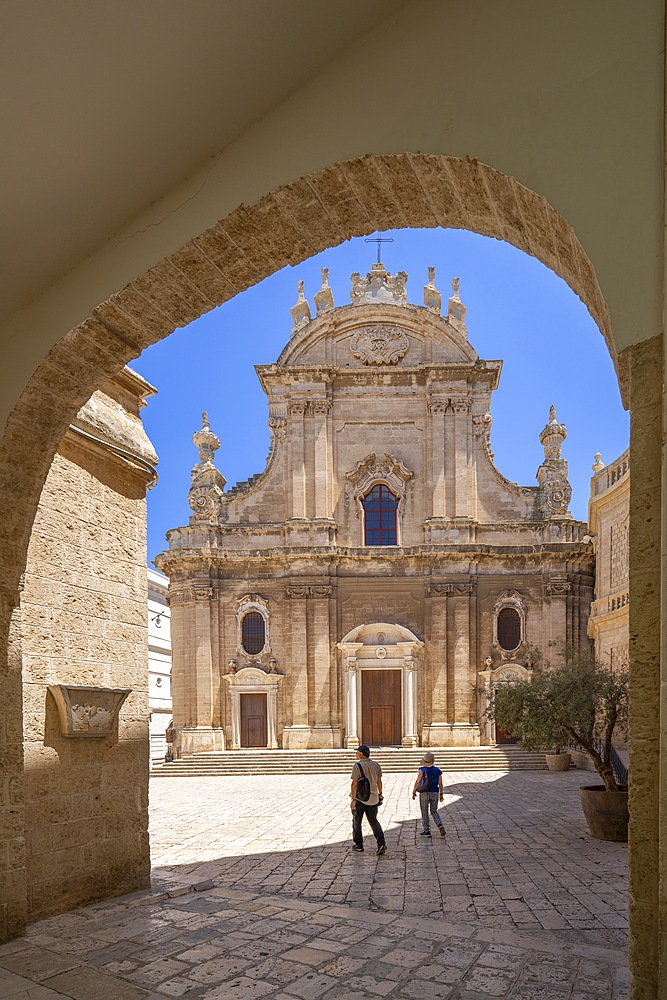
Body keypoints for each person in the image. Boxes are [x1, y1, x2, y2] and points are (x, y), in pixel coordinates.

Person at [350, 744, 386, 855]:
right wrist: (380, 794)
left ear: (361, 754)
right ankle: (381, 843)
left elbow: (354, 784)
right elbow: (379, 782)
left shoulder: (357, 766)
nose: (356, 754)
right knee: (374, 821)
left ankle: (358, 845)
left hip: (360, 798)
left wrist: (353, 799)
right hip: (374, 798)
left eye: (357, 752)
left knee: (357, 821)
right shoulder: (376, 765)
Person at [412, 750, 446, 837]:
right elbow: (440, 783)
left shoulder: (422, 770)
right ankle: (440, 825)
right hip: (434, 792)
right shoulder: (437, 770)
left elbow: (418, 781)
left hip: (424, 793)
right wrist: (441, 794)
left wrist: (414, 791)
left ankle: (426, 831)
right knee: (434, 811)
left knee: (424, 812)